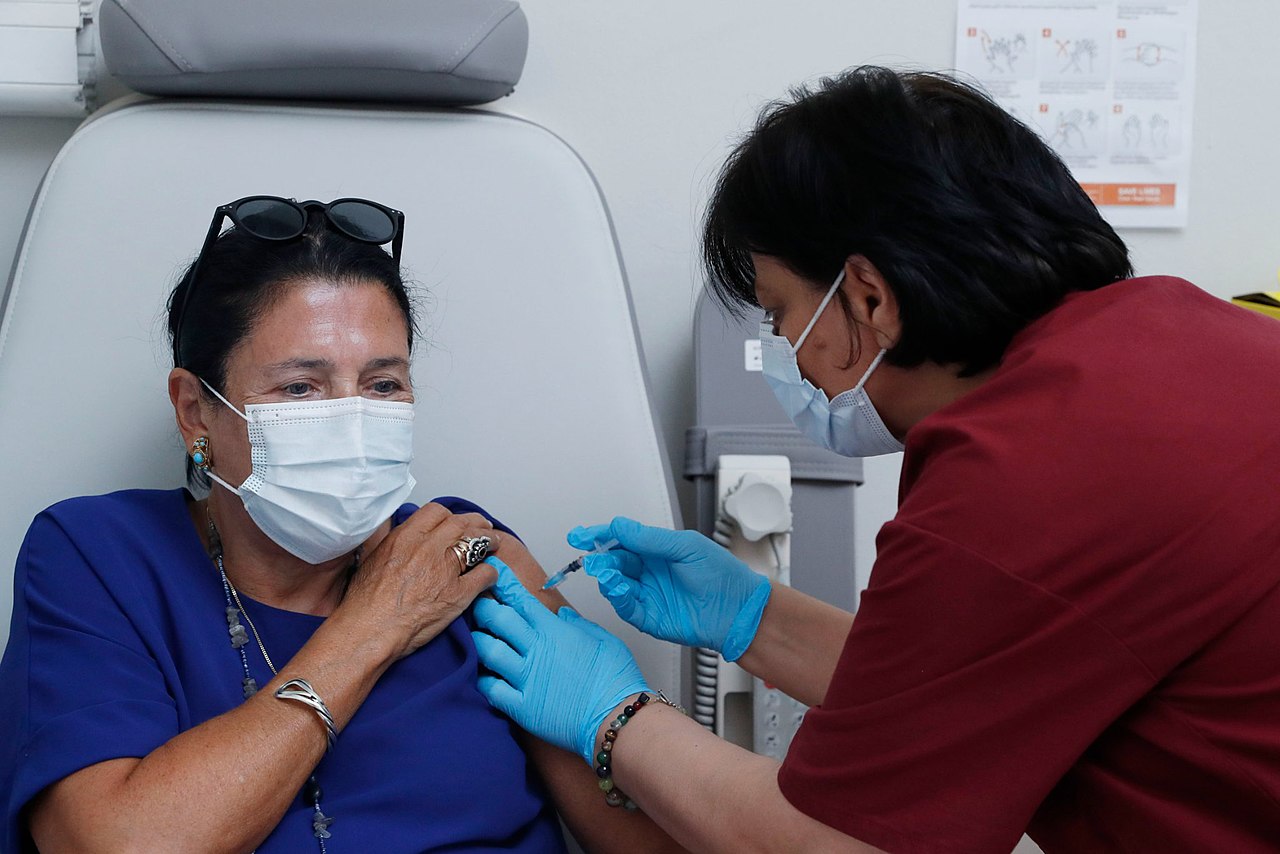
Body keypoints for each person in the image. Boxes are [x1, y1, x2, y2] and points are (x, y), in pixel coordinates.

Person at [468, 67, 1280, 853]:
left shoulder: (1024, 472)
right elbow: (966, 685)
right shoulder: (1188, 339)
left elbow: (839, 844)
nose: (784, 349)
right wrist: (753, 616)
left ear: (867, 297)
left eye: (780, 313)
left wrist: (610, 715)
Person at [0, 196, 684, 853]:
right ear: (195, 413)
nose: (353, 420)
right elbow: (119, 843)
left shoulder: (463, 556)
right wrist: (375, 626)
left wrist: (626, 714)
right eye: (301, 387)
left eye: (383, 385)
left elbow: (653, 845)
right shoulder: (98, 557)